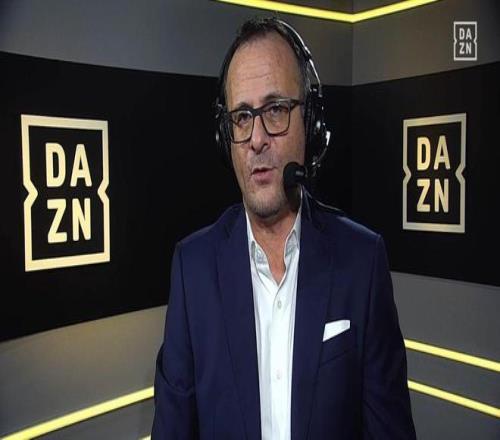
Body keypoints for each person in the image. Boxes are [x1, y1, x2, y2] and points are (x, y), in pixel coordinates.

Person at [152, 16, 416, 440]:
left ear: (310, 123)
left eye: (275, 110)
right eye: (242, 116)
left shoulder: (361, 261)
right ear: (226, 137)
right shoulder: (192, 269)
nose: (257, 139)